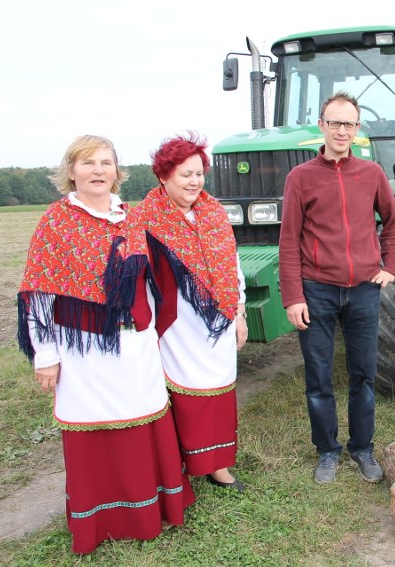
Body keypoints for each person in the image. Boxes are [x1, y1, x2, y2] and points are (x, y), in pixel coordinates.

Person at [16, 135, 194, 554]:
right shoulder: (56, 221)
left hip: (134, 346)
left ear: (117, 171)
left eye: (105, 162)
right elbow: (40, 294)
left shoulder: (129, 218)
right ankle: (103, 519)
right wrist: (46, 356)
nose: (98, 170)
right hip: (85, 351)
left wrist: (151, 334)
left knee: (144, 418)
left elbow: (149, 284)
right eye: (87, 163)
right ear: (71, 171)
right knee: (95, 428)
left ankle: (150, 510)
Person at [279, 91, 395, 485]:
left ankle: (362, 448)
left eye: (349, 123)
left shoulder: (371, 174)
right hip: (317, 290)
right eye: (334, 122)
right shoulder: (301, 178)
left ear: (357, 128)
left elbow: (394, 222)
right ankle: (327, 451)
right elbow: (288, 240)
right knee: (318, 376)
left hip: (364, 290)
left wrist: (392, 267)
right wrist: (294, 296)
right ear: (321, 125)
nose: (341, 130)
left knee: (363, 374)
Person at [134, 132, 249, 493]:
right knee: (182, 393)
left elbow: (232, 263)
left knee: (220, 388)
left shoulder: (213, 212)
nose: (194, 181)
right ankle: (184, 464)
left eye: (199, 173)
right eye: (185, 174)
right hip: (175, 324)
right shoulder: (144, 219)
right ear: (164, 176)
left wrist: (240, 309)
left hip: (217, 318)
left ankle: (218, 464)